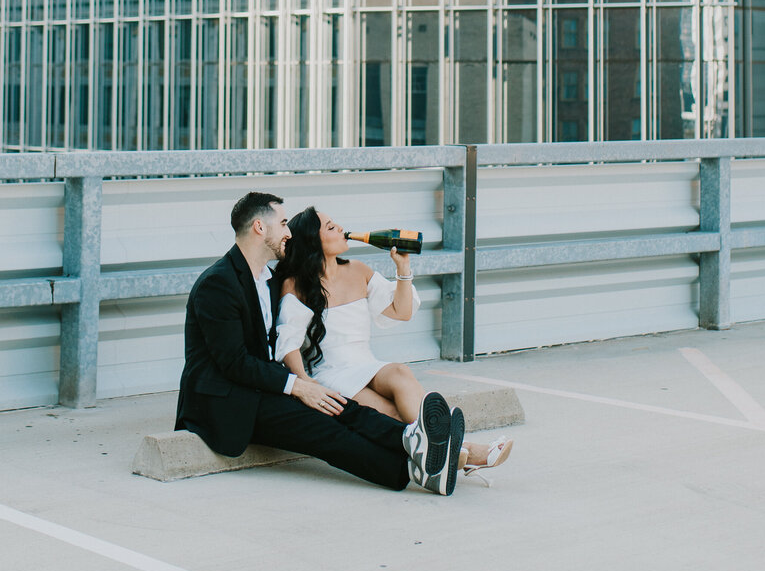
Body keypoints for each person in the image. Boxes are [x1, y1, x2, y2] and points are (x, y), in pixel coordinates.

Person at [175, 190, 466, 494]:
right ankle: (411, 464)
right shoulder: (218, 283)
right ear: (260, 228)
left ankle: (411, 439)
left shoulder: (268, 280)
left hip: (261, 388)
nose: (289, 233)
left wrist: (298, 385)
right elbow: (234, 363)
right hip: (226, 400)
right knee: (324, 429)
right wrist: (299, 385)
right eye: (283, 223)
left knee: (342, 408)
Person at [273, 207, 513, 479]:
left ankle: (446, 455)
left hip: (365, 363)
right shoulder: (296, 285)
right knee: (389, 411)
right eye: (330, 227)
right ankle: (465, 451)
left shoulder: (358, 270)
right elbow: (288, 341)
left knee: (400, 371)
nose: (340, 228)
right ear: (312, 241)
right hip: (332, 374)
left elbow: (402, 311)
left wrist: (403, 268)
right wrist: (304, 383)